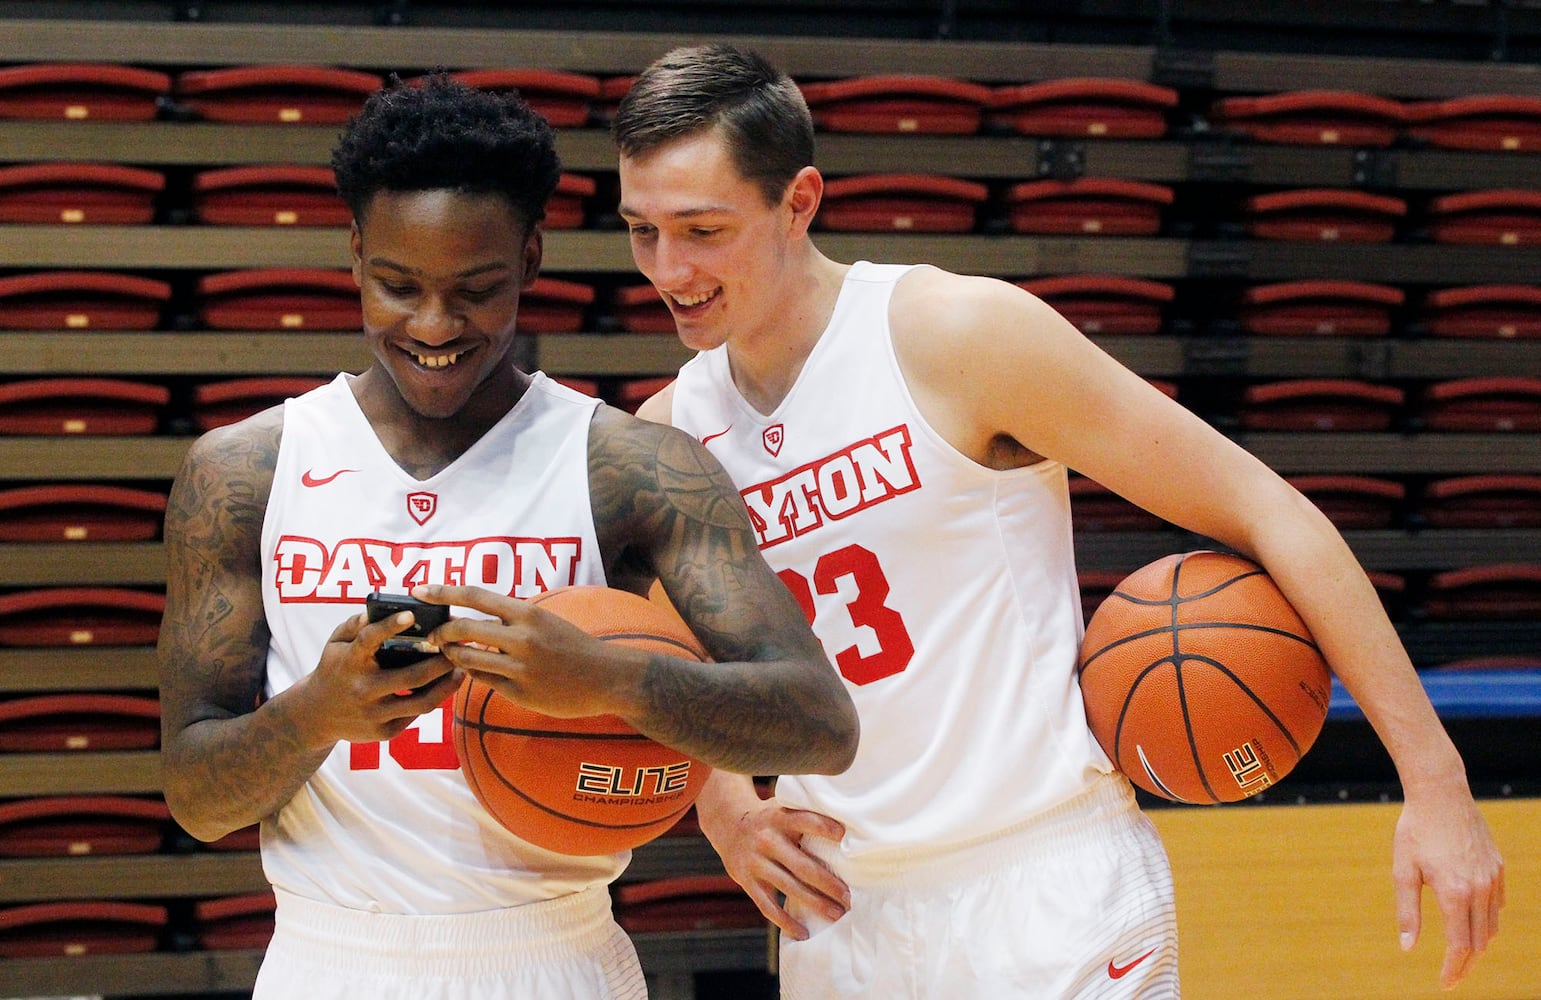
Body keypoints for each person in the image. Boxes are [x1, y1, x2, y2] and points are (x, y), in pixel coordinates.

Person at [612, 43, 1505, 997]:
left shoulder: (954, 335)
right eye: (642, 232)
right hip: (844, 917)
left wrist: (1435, 780)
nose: (670, 268)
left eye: (703, 230)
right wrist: (721, 811)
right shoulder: (668, 436)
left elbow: (1267, 510)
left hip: (1045, 885)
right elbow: (654, 658)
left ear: (800, 201)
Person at [156, 74, 857, 1000]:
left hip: (555, 957)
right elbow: (197, 800)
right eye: (398, 287)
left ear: (530, 260)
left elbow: (820, 723)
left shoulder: (634, 467)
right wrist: (314, 715)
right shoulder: (243, 472)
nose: (435, 327)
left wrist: (609, 680)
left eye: (476, 291)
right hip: (327, 961)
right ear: (354, 254)